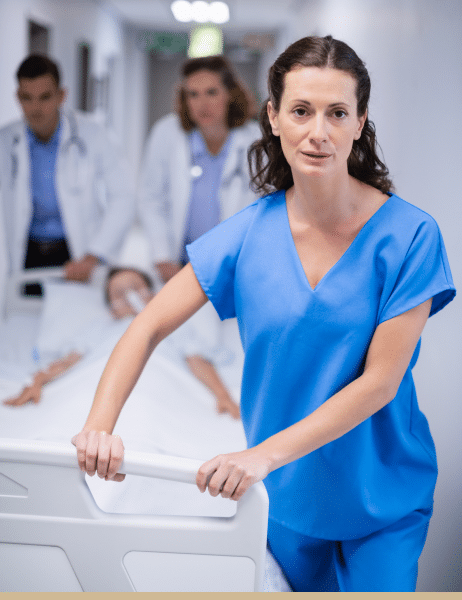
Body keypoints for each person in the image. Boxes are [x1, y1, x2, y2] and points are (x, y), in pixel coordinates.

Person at [71, 35, 456, 592]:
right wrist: (98, 429)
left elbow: (380, 382)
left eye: (337, 113)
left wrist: (260, 456)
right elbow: (148, 323)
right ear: (274, 117)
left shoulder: (410, 236)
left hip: (382, 500)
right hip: (286, 504)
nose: (317, 132)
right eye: (301, 111)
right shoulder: (248, 234)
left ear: (360, 121)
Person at [3, 266, 240, 419]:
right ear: (111, 310)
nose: (129, 297)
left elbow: (197, 360)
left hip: (159, 378)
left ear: (153, 295)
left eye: (135, 289)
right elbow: (67, 361)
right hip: (99, 378)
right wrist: (37, 382)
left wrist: (223, 396)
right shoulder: (100, 329)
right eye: (119, 293)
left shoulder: (171, 324)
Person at [0, 55, 135, 283]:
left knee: (77, 316)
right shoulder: (6, 140)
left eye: (44, 97)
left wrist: (94, 254)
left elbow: (124, 197)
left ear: (62, 96)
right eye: (26, 98)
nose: (35, 108)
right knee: (23, 316)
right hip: (25, 250)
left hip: (78, 252)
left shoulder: (94, 134)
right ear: (17, 97)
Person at [138, 55, 260, 283]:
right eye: (193, 94)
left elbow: (267, 206)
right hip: (180, 265)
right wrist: (162, 255)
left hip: (236, 267)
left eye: (212, 92)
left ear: (230, 95)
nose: (202, 103)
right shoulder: (166, 133)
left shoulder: (255, 139)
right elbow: (151, 198)